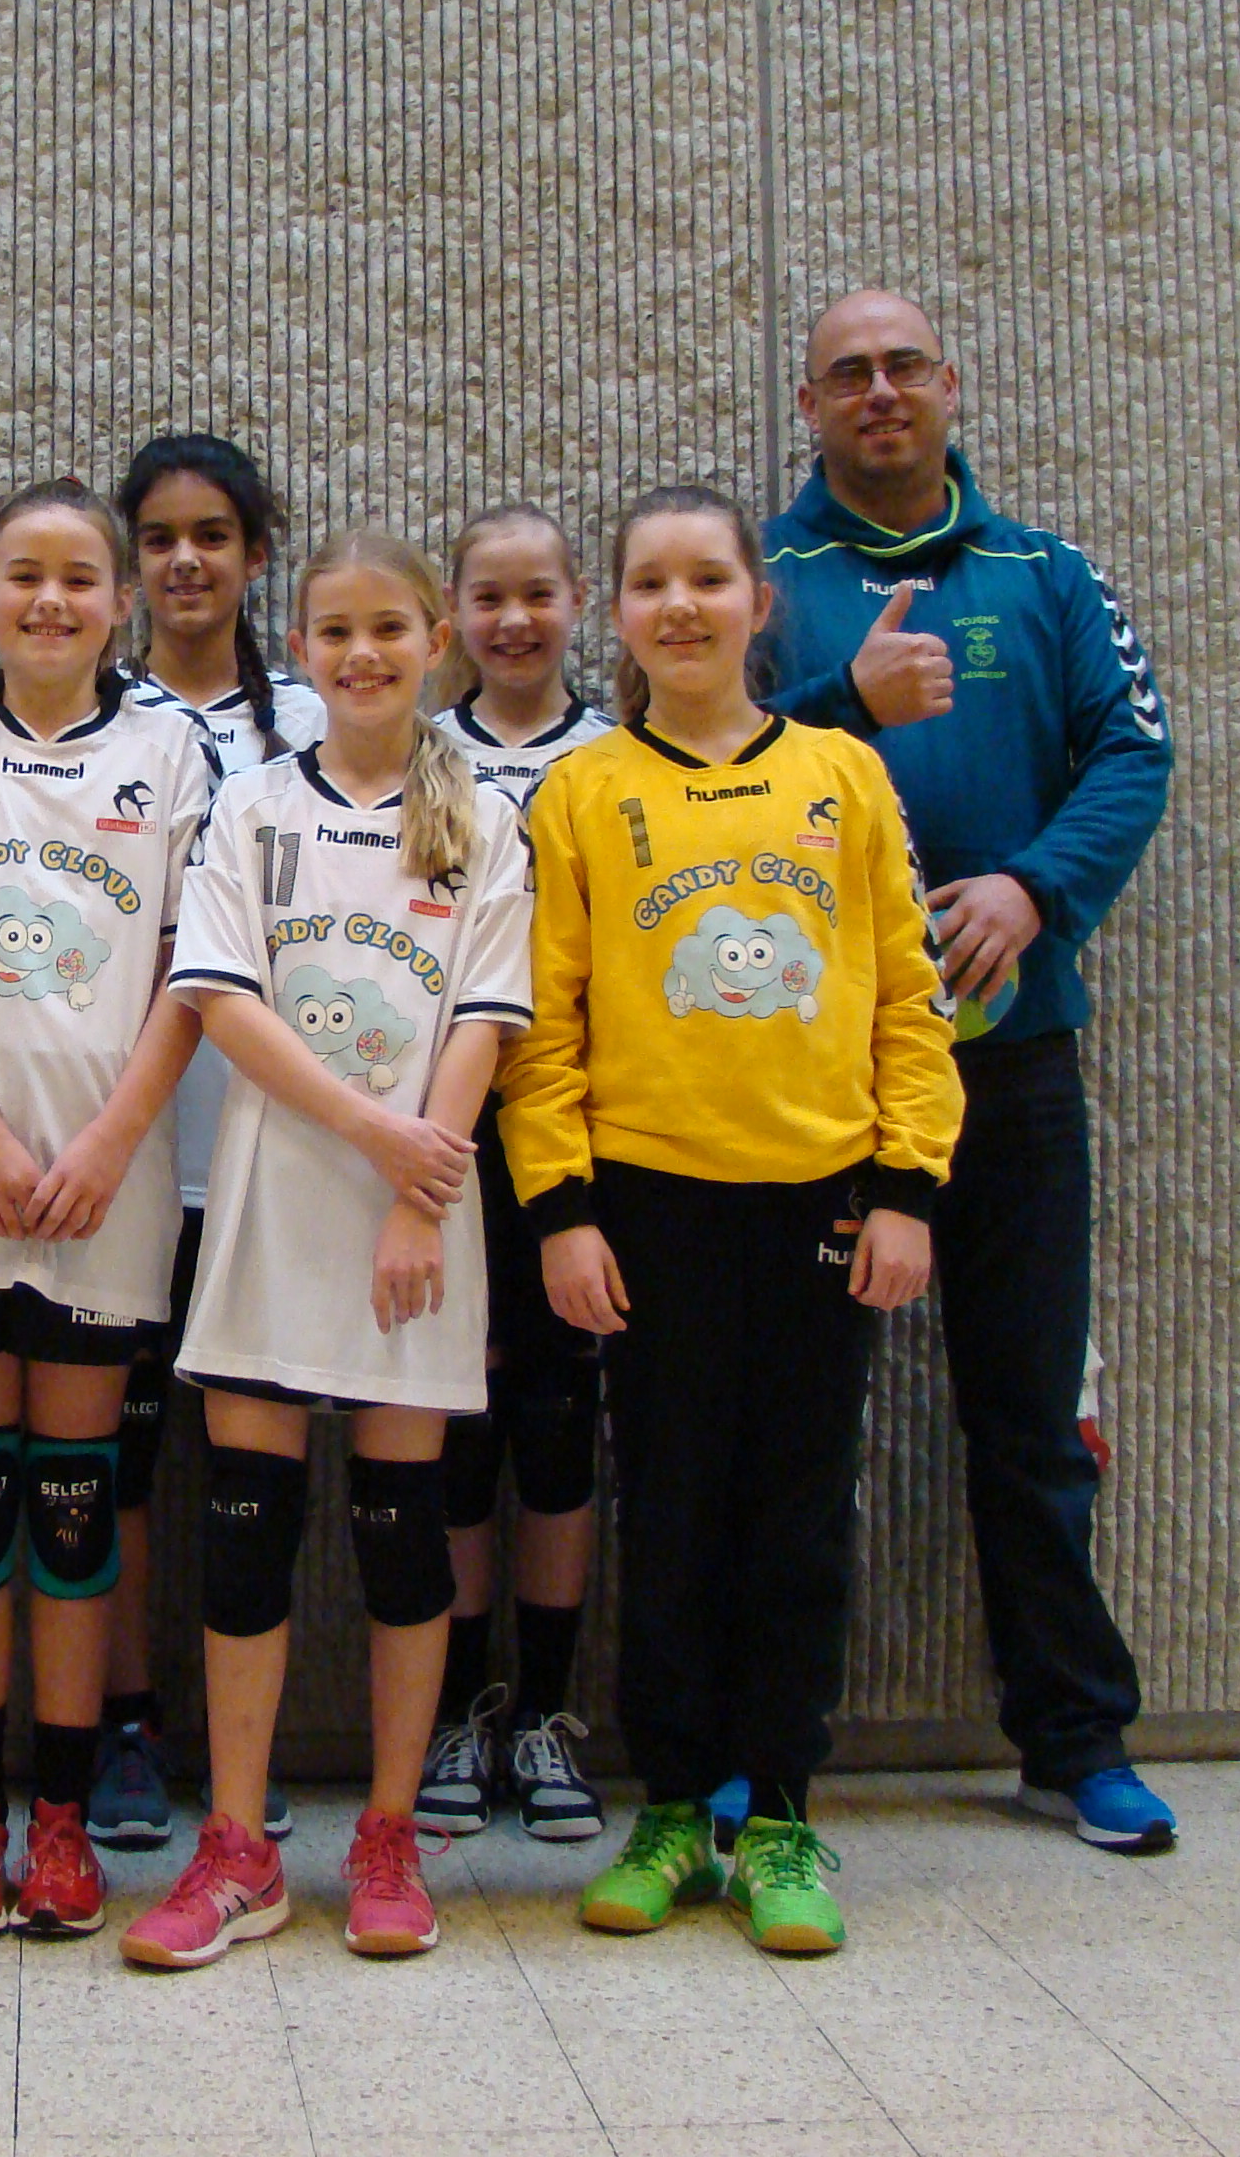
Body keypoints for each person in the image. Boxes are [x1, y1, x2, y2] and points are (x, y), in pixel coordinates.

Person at [502, 485, 958, 1958]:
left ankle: (779, 1818)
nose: (680, 606)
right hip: (648, 1212)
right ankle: (673, 1808)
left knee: (798, 1521)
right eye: (650, 582)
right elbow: (542, 1029)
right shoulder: (581, 792)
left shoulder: (842, 776)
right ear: (616, 613)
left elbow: (909, 999)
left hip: (823, 1205)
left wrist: (906, 1187)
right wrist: (563, 1212)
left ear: (762, 603)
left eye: (708, 578)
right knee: (671, 1512)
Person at [760, 290, 1177, 1855]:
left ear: (951, 386)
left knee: (1032, 1415)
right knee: (795, 1432)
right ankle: (765, 1753)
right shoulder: (762, 580)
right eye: (848, 373)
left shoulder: (1048, 575)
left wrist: (1035, 889)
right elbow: (704, 757)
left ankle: (1074, 1737)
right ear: (809, 403)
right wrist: (838, 706)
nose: (879, 392)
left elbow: (1134, 752)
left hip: (1013, 1063)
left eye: (904, 367)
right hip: (809, 1072)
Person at [118, 532, 531, 1970]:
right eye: (335, 631)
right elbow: (222, 1001)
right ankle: (238, 1848)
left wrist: (419, 1192)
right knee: (246, 1533)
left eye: (389, 629)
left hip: (417, 1221)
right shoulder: (251, 804)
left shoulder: (484, 817)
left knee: (406, 1537)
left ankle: (390, 1835)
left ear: (435, 642)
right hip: (277, 1210)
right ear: (298, 646)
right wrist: (373, 1134)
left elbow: (483, 1019)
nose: (362, 654)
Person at [0, 480, 216, 1939]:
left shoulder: (175, 747)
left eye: (81, 577)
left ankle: (61, 1822)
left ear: (121, 602)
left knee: (75, 1508)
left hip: (103, 1185)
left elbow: (198, 965)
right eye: (24, 575)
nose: (52, 600)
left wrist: (113, 1143)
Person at [92, 434, 327, 1849]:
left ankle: (247, 1747)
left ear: (256, 557)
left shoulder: (315, 718)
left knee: (257, 1471)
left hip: (267, 1157)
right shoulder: (85, 715)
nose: (187, 560)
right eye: (161, 537)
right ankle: (124, 1723)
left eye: (215, 536)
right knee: (119, 1460)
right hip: (119, 1155)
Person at [415, 505, 617, 1843]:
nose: (514, 620)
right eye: (488, 598)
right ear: (455, 618)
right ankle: (458, 1710)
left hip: (583, 1137)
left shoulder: (616, 756)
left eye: (538, 594)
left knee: (556, 1426)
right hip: (449, 1128)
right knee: (458, 1430)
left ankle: (545, 1708)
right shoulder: (422, 755)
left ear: (578, 600)